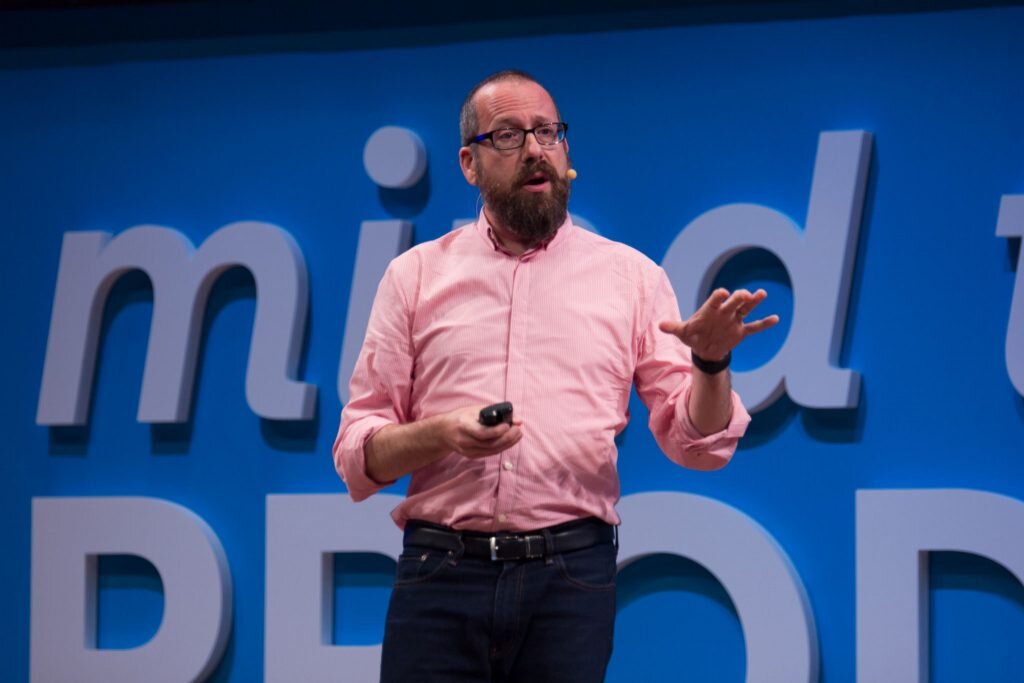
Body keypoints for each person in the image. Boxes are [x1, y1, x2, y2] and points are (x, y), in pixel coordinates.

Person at [333, 69, 779, 682]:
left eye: (548, 132)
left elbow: (697, 446)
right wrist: (442, 434)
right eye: (510, 136)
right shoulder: (413, 278)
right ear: (470, 162)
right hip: (440, 573)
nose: (536, 149)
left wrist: (710, 364)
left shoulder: (632, 279)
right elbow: (359, 453)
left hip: (570, 579)